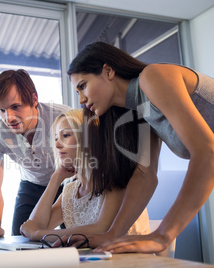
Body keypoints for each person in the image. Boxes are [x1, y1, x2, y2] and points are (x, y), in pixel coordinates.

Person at [66, 41, 214, 254]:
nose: (81, 99)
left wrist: (162, 235)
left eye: (82, 85)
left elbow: (207, 152)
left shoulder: (153, 77)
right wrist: (113, 234)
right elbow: (145, 174)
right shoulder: (140, 110)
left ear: (107, 71)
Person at [19, 109, 150, 242]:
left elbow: (101, 229)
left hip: (131, 260)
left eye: (65, 135)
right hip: (96, 260)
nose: (57, 145)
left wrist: (39, 234)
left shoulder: (115, 179)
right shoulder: (70, 192)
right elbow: (36, 225)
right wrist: (55, 179)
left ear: (87, 139)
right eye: (56, 138)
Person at [0, 69, 70, 237]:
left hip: (68, 183)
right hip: (31, 183)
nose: (8, 118)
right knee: (20, 239)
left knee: (76, 240)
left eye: (15, 107)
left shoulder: (63, 117)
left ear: (34, 99)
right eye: (1, 110)